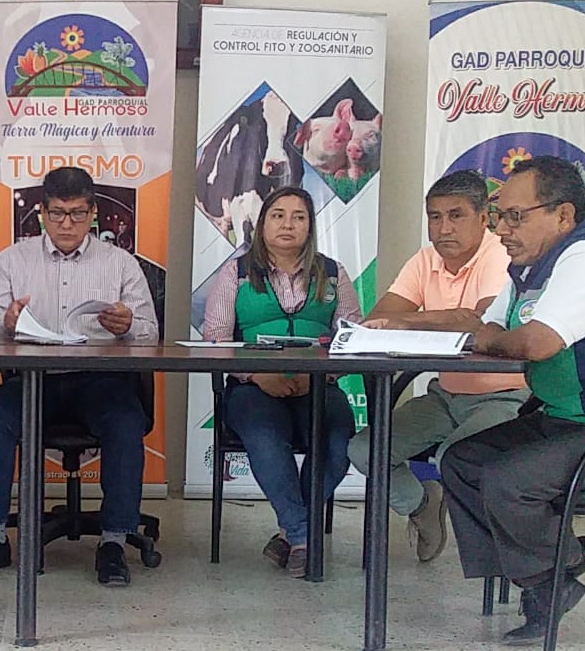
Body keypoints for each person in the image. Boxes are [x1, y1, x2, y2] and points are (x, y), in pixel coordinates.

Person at [441, 155, 585, 643]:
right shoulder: (529, 266)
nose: (501, 229)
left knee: (509, 480)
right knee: (461, 461)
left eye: (515, 216)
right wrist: (496, 335)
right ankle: (557, 565)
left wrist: (497, 337)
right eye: (499, 216)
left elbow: (537, 342)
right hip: (575, 418)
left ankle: (548, 577)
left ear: (563, 215)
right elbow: (488, 324)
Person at [0, 166, 158, 586]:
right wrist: (6, 322)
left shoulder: (120, 263)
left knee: (126, 421)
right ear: (42, 214)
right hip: (34, 377)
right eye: (57, 214)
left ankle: (113, 542)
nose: (66, 224)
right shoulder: (13, 260)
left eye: (77, 214)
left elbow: (150, 332)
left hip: (99, 380)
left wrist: (128, 325)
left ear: (93, 213)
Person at [347, 170, 529, 562]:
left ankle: (499, 560)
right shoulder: (425, 259)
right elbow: (378, 320)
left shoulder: (500, 254)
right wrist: (428, 319)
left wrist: (410, 321)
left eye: (456, 215)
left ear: (484, 218)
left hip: (506, 397)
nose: (443, 228)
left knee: (455, 459)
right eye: (435, 216)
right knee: (364, 449)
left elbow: (482, 322)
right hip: (446, 395)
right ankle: (422, 505)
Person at [201, 186, 360, 577]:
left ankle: (292, 532)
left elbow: (351, 336)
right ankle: (303, 535)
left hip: (317, 385)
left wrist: (319, 375)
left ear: (310, 227)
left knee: (339, 442)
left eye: (299, 217)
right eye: (278, 215)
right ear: (262, 224)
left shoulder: (333, 273)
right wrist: (257, 375)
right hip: (253, 387)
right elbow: (215, 337)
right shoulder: (236, 272)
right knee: (265, 435)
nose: (288, 224)